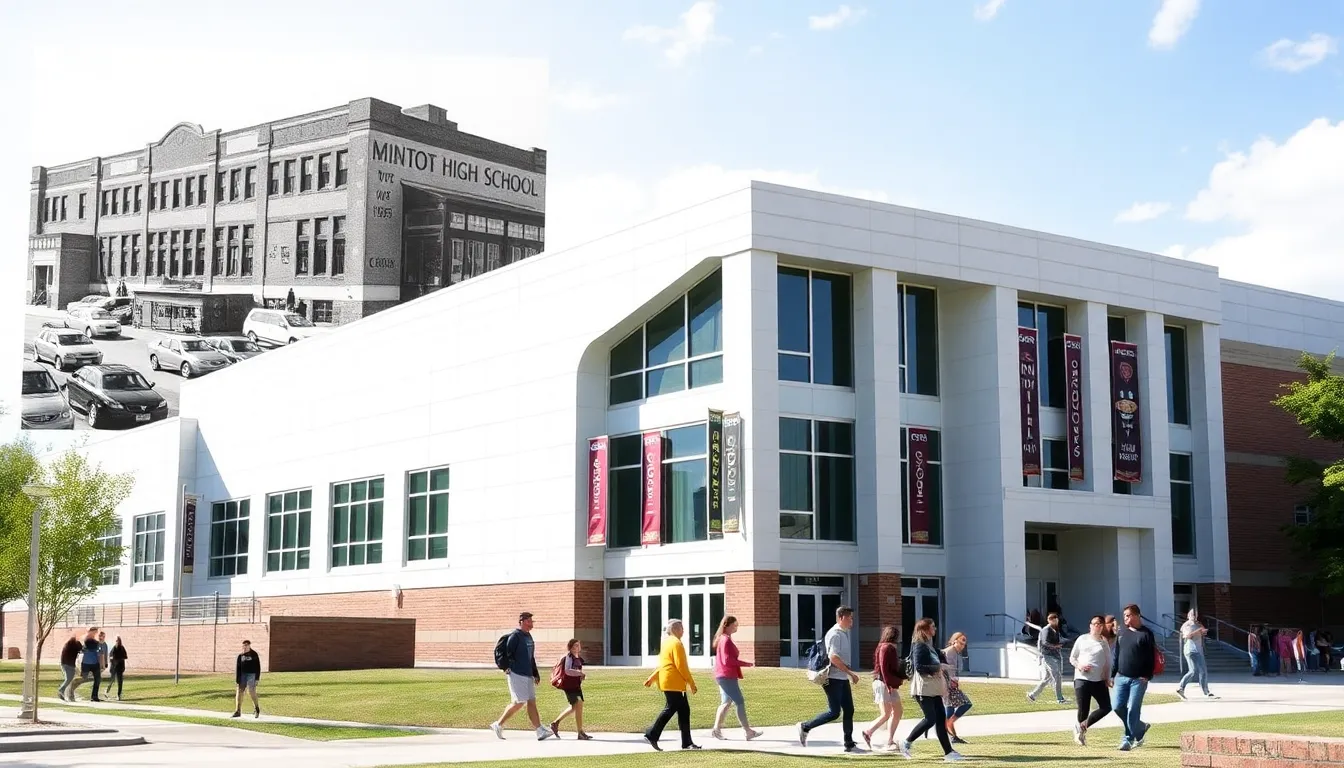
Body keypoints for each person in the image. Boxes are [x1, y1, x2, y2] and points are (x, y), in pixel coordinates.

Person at [796, 605, 860, 753]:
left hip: (841, 678)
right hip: (833, 678)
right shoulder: (836, 634)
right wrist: (850, 673)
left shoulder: (843, 633)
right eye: (850, 618)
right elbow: (833, 657)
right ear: (841, 617)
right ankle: (805, 726)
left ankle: (848, 742)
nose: (852, 621)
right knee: (834, 712)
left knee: (849, 709)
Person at [899, 617, 962, 762]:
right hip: (923, 689)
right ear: (926, 629)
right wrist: (940, 667)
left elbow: (938, 657)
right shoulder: (919, 645)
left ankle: (949, 752)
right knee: (930, 719)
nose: (935, 629)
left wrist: (942, 658)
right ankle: (906, 742)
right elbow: (919, 667)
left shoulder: (929, 645)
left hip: (933, 688)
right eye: (933, 627)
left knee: (940, 719)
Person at [489, 612, 551, 741]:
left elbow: (530, 657)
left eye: (531, 621)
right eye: (528, 621)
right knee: (519, 702)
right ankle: (498, 724)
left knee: (532, 702)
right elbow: (507, 653)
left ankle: (539, 730)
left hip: (527, 673)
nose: (531, 623)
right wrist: (506, 667)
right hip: (517, 674)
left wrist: (535, 673)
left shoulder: (528, 637)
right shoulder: (515, 636)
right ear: (521, 622)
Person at [643, 619, 700, 751]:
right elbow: (681, 666)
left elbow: (664, 663)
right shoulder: (676, 643)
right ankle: (652, 734)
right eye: (681, 628)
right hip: (674, 683)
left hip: (668, 681)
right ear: (675, 629)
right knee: (670, 708)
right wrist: (691, 683)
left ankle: (687, 742)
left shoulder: (666, 642)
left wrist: (653, 677)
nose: (683, 630)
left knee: (684, 711)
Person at [1111, 604, 1156, 751]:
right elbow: (1116, 654)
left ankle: (1128, 739)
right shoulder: (1122, 633)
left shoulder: (1146, 634)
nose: (1125, 618)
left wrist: (1147, 676)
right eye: (1124, 615)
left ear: (1137, 616)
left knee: (1133, 710)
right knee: (1117, 707)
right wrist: (1112, 674)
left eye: (1128, 615)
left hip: (1139, 679)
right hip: (1121, 677)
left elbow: (1151, 657)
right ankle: (1140, 726)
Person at [710, 615, 762, 741]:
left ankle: (716, 730)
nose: (736, 627)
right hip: (727, 676)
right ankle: (747, 731)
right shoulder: (725, 640)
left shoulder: (723, 638)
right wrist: (746, 663)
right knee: (739, 702)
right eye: (735, 624)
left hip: (724, 675)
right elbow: (727, 660)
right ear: (727, 625)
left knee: (726, 703)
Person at [861, 625, 908, 755]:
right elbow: (884, 669)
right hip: (884, 684)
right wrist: (889, 684)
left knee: (894, 712)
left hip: (885, 683)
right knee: (890, 713)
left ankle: (885, 738)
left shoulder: (885, 647)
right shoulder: (886, 648)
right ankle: (876, 735)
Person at [1068, 615, 1113, 745]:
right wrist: (1080, 666)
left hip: (1098, 680)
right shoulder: (1082, 639)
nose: (1097, 626)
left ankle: (1081, 727)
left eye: (1100, 624)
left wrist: (1107, 678)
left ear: (1102, 626)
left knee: (1106, 707)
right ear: (1090, 626)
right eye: (1094, 624)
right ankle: (1080, 733)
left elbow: (1108, 662)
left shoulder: (1104, 643)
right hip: (1082, 679)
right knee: (1084, 710)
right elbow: (1072, 658)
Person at [548, 639, 590, 740]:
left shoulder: (577, 657)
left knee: (575, 707)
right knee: (578, 703)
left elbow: (577, 670)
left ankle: (555, 723)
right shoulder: (569, 657)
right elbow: (567, 671)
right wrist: (580, 673)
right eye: (575, 645)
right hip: (569, 685)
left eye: (578, 645)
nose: (577, 647)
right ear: (570, 647)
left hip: (576, 685)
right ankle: (580, 732)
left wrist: (580, 676)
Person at [1027, 612, 1067, 705]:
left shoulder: (1056, 630)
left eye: (1056, 619)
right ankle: (1059, 698)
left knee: (1047, 678)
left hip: (1056, 655)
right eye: (1053, 620)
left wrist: (1064, 642)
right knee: (1057, 675)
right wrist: (1055, 646)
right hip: (1048, 656)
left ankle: (1032, 695)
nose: (1055, 621)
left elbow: (1059, 639)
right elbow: (1044, 643)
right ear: (1049, 620)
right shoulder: (1046, 630)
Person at [1177, 609, 1217, 700]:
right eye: (1192, 614)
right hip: (1191, 650)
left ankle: (1206, 692)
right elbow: (1187, 636)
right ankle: (1180, 688)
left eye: (1195, 614)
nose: (1194, 616)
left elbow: (1202, 632)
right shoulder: (1187, 625)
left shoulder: (1197, 624)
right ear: (1188, 615)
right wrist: (1198, 630)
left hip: (1199, 650)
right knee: (1193, 671)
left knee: (1203, 671)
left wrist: (1203, 631)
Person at [943, 632, 973, 745]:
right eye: (961, 642)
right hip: (947, 686)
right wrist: (951, 680)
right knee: (963, 704)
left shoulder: (955, 653)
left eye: (964, 643)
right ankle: (949, 728)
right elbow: (946, 669)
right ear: (955, 641)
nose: (962, 645)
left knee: (951, 708)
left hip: (952, 685)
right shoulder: (949, 652)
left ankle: (952, 733)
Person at [69, 627, 103, 702]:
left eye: (96, 632)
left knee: (98, 679)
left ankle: (94, 696)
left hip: (95, 663)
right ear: (91, 631)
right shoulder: (87, 639)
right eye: (95, 632)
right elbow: (91, 646)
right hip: (86, 663)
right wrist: (99, 643)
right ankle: (71, 688)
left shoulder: (94, 640)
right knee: (84, 678)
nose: (96, 634)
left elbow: (98, 649)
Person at [233, 639, 262, 718]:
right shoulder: (240, 656)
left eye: (247, 645)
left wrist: (257, 678)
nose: (245, 647)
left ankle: (257, 708)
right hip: (242, 675)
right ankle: (238, 710)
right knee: (239, 691)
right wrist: (237, 679)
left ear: (249, 645)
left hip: (252, 675)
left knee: (251, 691)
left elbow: (258, 667)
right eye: (244, 645)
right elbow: (238, 668)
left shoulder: (254, 654)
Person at [56, 634, 81, 702]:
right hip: (69, 665)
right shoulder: (75, 644)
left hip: (64, 664)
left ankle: (66, 693)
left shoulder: (67, 644)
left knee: (69, 679)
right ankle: (62, 690)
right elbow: (82, 650)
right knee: (69, 679)